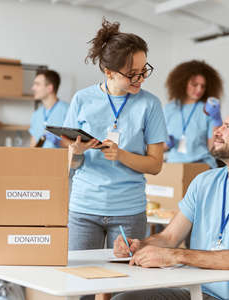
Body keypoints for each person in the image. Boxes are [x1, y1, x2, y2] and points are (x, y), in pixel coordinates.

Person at [113, 103, 229, 300]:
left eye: (228, 127)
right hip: (198, 292)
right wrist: (140, 244)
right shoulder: (204, 182)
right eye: (222, 124)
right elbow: (169, 238)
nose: (217, 131)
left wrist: (176, 256)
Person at [62, 18, 167, 251]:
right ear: (108, 72)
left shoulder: (150, 105)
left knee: (124, 284)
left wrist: (121, 155)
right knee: (79, 283)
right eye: (132, 74)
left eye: (144, 71)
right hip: (84, 209)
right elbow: (72, 164)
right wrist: (77, 154)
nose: (140, 79)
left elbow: (155, 165)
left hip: (128, 212)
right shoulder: (82, 99)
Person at [164, 60, 224, 168]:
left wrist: (217, 120)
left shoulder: (207, 109)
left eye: (203, 86)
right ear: (182, 83)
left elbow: (213, 148)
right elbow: (158, 147)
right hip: (173, 165)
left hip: (201, 165)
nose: (199, 89)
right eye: (194, 84)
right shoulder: (169, 108)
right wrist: (165, 144)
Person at [29, 69, 69, 148]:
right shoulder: (36, 114)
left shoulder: (68, 111)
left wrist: (59, 142)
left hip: (59, 159)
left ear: (49, 88)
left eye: (37, 84)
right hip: (39, 159)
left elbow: (77, 145)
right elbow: (33, 145)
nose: (33, 88)